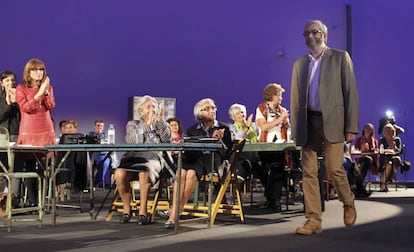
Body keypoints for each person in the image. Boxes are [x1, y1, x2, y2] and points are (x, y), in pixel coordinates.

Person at [290, 20, 359, 235]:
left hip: (334, 121)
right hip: (307, 122)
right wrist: (295, 128)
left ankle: (348, 202)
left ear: (325, 35)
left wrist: (351, 127)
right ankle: (313, 220)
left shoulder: (340, 58)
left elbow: (351, 93)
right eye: (307, 33)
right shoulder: (299, 64)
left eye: (315, 32)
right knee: (309, 174)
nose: (311, 36)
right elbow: (294, 99)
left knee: (335, 168)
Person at [165, 98, 233, 228]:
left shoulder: (224, 128)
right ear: (199, 113)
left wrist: (220, 141)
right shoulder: (193, 129)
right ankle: (176, 212)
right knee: (181, 171)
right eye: (207, 109)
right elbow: (191, 150)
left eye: (213, 108)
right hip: (195, 158)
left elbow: (227, 154)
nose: (211, 111)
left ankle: (174, 214)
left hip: (212, 160)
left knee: (190, 173)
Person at [114, 95, 171, 225]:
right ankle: (126, 209)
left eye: (154, 107)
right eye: (149, 107)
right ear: (141, 111)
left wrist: (159, 123)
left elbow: (167, 140)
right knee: (120, 173)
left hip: (153, 158)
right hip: (134, 157)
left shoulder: (162, 124)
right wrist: (148, 125)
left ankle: (143, 211)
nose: (152, 109)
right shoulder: (133, 124)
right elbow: (133, 142)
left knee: (144, 173)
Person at [16, 58, 56, 206]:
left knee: (45, 169)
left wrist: (45, 92)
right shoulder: (21, 88)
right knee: (30, 168)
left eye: (41, 70)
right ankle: (33, 202)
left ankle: (41, 202)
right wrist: (39, 93)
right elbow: (26, 108)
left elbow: (51, 105)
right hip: (29, 132)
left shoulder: (48, 87)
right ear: (28, 72)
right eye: (35, 70)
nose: (39, 73)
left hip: (46, 130)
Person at [254, 83, 290, 212]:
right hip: (265, 145)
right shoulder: (261, 109)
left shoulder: (282, 110)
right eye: (279, 95)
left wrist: (286, 122)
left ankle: (275, 201)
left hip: (280, 145)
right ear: (273, 95)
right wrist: (281, 119)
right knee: (263, 169)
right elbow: (263, 127)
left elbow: (286, 127)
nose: (281, 98)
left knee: (277, 169)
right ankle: (270, 197)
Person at [0, 70, 21, 214]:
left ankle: (13, 200)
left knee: (16, 169)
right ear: (1, 83)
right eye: (7, 80)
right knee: (3, 168)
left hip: (16, 136)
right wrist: (8, 103)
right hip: (2, 137)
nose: (10, 83)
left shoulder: (19, 97)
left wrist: (16, 102)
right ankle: (1, 200)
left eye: (12, 80)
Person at [228, 103, 261, 184]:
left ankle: (239, 176)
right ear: (233, 117)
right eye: (238, 113)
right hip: (240, 154)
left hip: (257, 154)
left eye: (242, 112)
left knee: (246, 161)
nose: (241, 115)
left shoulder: (254, 126)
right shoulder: (232, 128)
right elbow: (237, 139)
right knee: (245, 155)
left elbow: (260, 138)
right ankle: (239, 177)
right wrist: (247, 127)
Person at [88, 120, 112, 187]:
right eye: (98, 125)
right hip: (93, 157)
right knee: (103, 161)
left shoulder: (107, 136)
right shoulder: (90, 135)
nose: (99, 127)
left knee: (106, 161)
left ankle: (96, 181)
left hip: (105, 156)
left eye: (101, 126)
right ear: (94, 127)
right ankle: (97, 181)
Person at [379, 123, 402, 192]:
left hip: (394, 158)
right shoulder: (382, 140)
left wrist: (394, 147)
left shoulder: (397, 139)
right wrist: (388, 150)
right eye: (386, 130)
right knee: (389, 163)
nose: (388, 132)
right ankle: (386, 182)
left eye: (389, 130)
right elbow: (380, 151)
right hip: (384, 159)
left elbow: (399, 151)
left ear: (393, 131)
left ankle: (383, 183)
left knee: (394, 161)